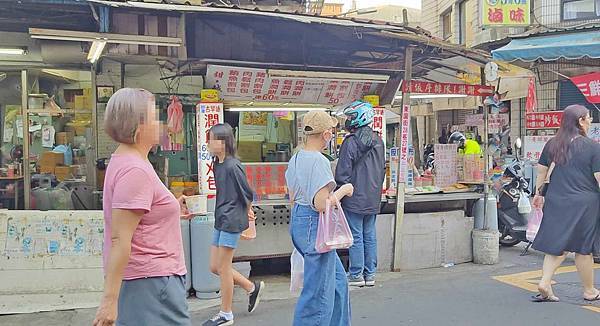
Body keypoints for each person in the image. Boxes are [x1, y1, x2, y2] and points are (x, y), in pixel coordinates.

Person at [93, 88, 191, 326]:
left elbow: (142, 216)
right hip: (151, 282)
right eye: (154, 117)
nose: (161, 123)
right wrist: (109, 300)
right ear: (138, 126)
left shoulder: (128, 160)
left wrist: (172, 208)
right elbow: (120, 238)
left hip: (148, 280)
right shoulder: (135, 170)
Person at [286, 111, 354, 326]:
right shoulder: (318, 161)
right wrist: (344, 190)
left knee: (337, 282)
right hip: (314, 226)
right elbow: (321, 203)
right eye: (331, 133)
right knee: (318, 294)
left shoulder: (296, 157)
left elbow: (291, 195)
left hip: (299, 220)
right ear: (326, 134)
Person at [531, 104, 600, 303]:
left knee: (557, 244)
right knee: (582, 248)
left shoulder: (552, 143)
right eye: (589, 117)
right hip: (584, 203)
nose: (591, 121)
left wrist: (538, 194)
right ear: (580, 121)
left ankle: (545, 282)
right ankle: (589, 290)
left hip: (556, 199)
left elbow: (542, 172)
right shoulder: (593, 147)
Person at [204, 123, 265, 326]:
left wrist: (246, 218)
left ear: (223, 142)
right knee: (215, 266)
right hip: (221, 217)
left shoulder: (232, 165)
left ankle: (226, 313)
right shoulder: (217, 163)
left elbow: (247, 194)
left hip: (231, 220)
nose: (208, 143)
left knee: (223, 267)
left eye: (211, 139)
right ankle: (251, 287)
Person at [335, 101, 385, 287]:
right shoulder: (379, 141)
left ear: (358, 118)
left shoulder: (351, 142)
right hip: (373, 196)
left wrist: (339, 191)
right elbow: (381, 171)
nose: (348, 121)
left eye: (350, 117)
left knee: (356, 235)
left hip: (353, 196)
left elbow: (343, 172)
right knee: (369, 235)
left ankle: (356, 275)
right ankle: (370, 274)